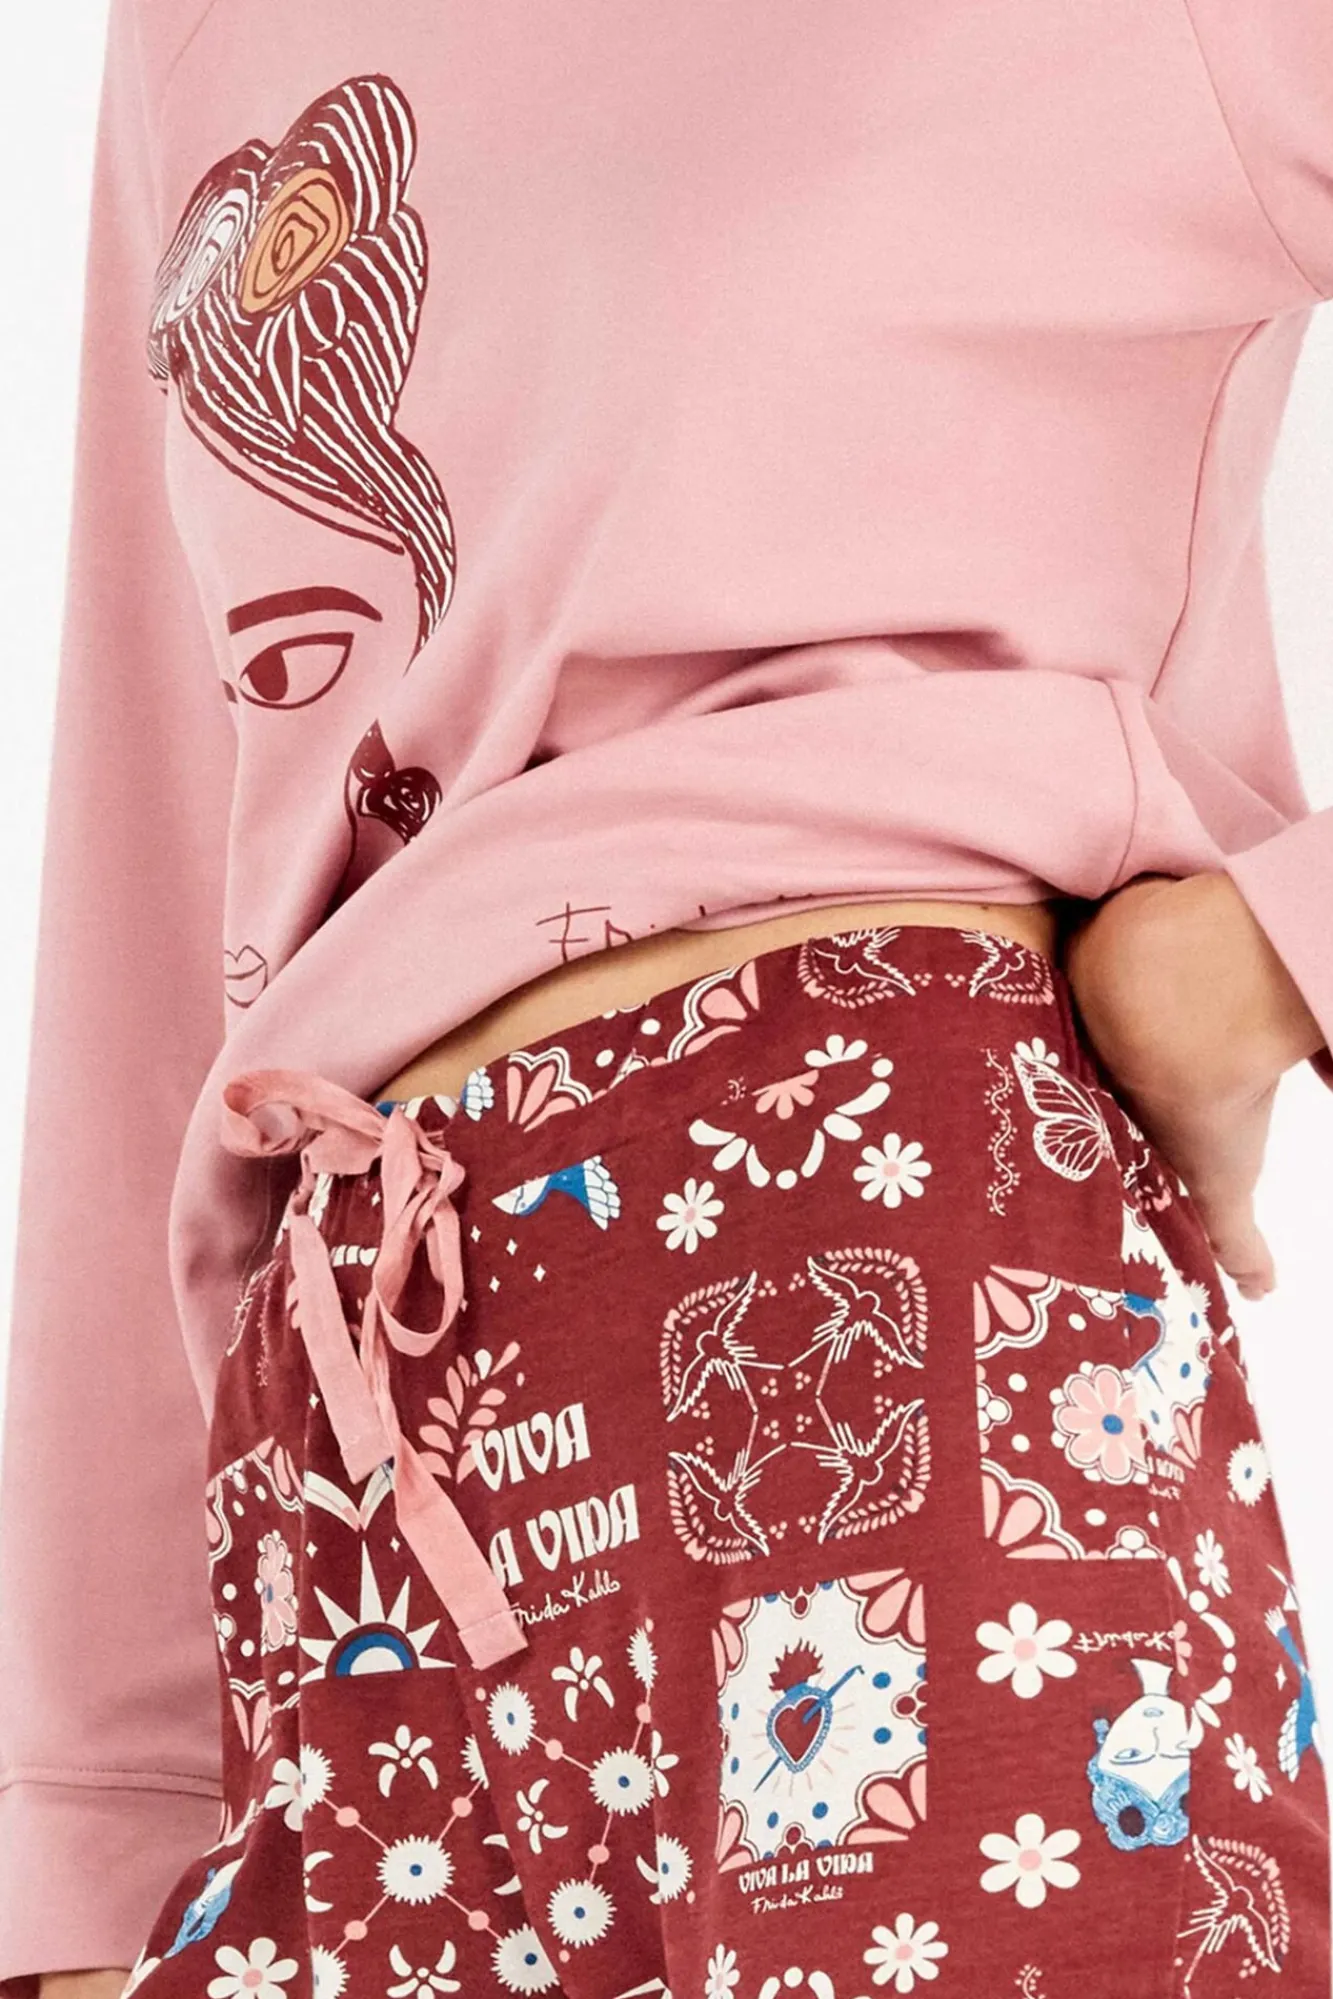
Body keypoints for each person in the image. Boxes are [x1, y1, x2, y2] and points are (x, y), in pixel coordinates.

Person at [0, 5, 1330, 1998]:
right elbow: (154, 862)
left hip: (870, 1275)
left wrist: (1277, 943)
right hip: (346, 1480)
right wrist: (94, 1826)